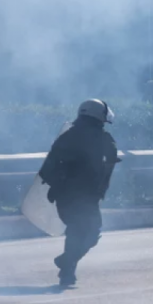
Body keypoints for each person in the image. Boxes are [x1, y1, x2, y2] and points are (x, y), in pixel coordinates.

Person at [38, 99, 119, 286]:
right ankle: (66, 262)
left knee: (75, 231)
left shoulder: (67, 136)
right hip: (85, 197)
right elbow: (111, 161)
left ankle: (67, 274)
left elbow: (48, 167)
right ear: (99, 115)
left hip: (63, 196)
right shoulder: (102, 137)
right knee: (91, 233)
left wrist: (55, 188)